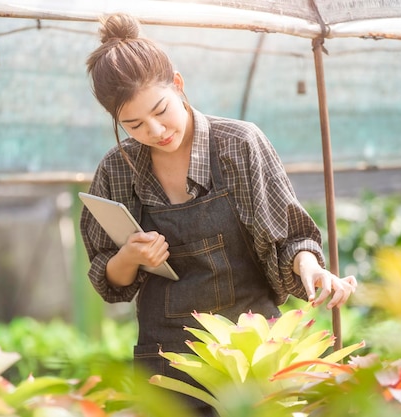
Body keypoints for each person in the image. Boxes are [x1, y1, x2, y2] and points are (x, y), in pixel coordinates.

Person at [79, 13, 357, 416]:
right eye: (134, 125)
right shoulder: (117, 170)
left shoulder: (239, 145)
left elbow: (290, 239)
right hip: (168, 358)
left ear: (177, 84)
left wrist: (311, 268)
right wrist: (131, 258)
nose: (155, 130)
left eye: (161, 110)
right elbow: (110, 281)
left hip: (252, 351)